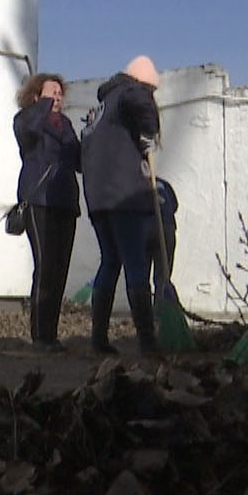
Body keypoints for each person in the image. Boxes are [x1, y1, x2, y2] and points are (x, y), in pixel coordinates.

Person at [79, 55, 162, 355]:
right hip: (124, 195)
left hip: (98, 199)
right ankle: (148, 342)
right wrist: (148, 135)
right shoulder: (131, 91)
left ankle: (98, 339)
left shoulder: (99, 110)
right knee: (135, 263)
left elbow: (82, 155)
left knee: (110, 261)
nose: (151, 97)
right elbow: (142, 105)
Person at [12, 72, 81, 352]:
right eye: (51, 92)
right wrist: (42, 105)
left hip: (65, 201)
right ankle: (40, 335)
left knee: (60, 269)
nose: (57, 97)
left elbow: (79, 162)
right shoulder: (26, 119)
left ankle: (51, 335)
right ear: (36, 97)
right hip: (38, 200)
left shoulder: (65, 125)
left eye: (60, 93)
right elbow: (27, 129)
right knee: (45, 267)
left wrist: (88, 133)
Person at [150, 176, 179, 297]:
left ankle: (158, 310)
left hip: (154, 227)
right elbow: (174, 206)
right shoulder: (164, 184)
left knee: (140, 276)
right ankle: (158, 308)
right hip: (167, 227)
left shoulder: (134, 185)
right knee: (162, 276)